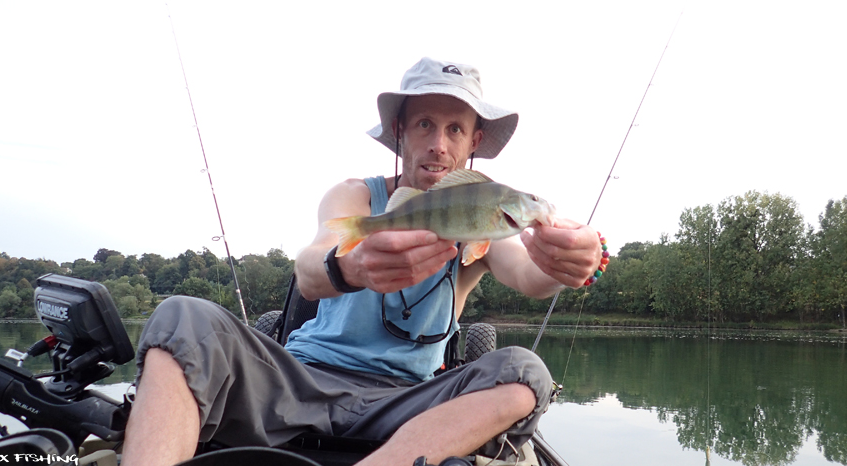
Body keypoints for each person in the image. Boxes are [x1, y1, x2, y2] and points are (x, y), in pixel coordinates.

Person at [121, 57, 603, 466]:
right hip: (302, 382)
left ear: (474, 141)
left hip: (410, 404)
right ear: (399, 132)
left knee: (526, 373)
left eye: (455, 128)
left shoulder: (483, 222)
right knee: (182, 315)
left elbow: (529, 276)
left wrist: (572, 261)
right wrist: (349, 267)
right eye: (423, 125)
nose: (439, 143)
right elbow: (310, 270)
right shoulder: (354, 195)